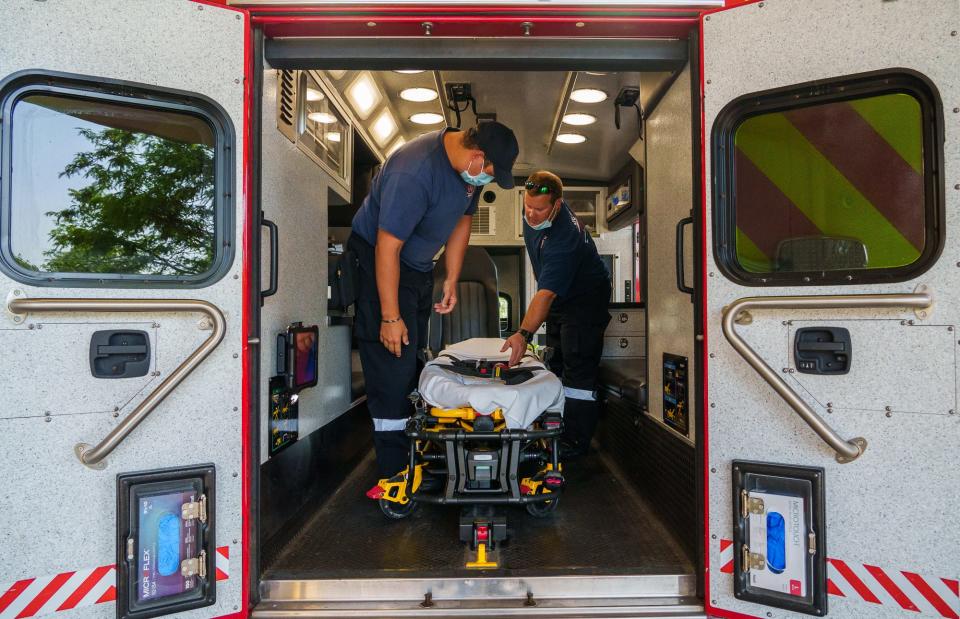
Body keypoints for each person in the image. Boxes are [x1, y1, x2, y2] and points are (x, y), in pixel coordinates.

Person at [349, 121, 519, 485]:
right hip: (381, 265)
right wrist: (390, 316)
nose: (486, 181)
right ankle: (394, 474)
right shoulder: (414, 171)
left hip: (418, 270)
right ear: (477, 156)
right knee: (392, 368)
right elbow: (387, 247)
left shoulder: (466, 175)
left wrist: (452, 276)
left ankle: (412, 452)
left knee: (412, 363)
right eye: (489, 173)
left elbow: (462, 222)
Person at [501, 170, 611, 457]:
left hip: (586, 300)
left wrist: (523, 334)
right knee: (556, 362)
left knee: (578, 369)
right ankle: (555, 426)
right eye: (528, 206)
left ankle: (576, 443)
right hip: (562, 298)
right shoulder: (533, 216)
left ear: (557, 205)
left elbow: (546, 292)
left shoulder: (565, 236)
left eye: (540, 209)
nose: (532, 214)